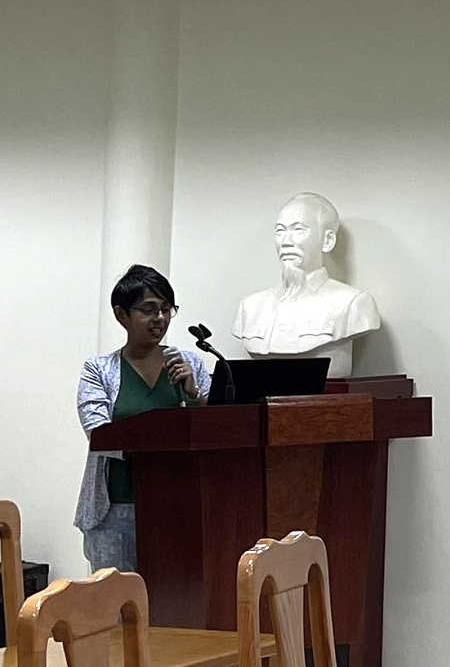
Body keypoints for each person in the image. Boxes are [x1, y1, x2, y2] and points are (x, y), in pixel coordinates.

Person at [75, 264, 211, 572]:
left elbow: (215, 430)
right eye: (148, 310)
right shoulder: (98, 370)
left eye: (166, 309)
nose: (159, 319)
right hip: (116, 507)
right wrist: (162, 433)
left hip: (180, 502)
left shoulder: (189, 364)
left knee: (174, 604)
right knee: (115, 606)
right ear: (122, 314)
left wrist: (194, 395)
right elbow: (100, 435)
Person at [232, 192, 380, 379]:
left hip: (327, 403)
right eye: (280, 231)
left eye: (298, 230)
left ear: (327, 241)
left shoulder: (354, 303)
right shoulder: (251, 306)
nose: (286, 242)